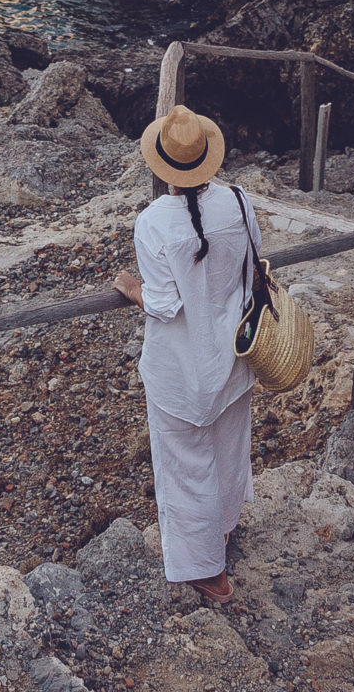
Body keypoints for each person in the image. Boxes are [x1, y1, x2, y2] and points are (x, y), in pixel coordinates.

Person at [113, 104, 259, 606]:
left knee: (184, 468)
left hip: (180, 370)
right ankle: (219, 534)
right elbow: (253, 264)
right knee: (226, 450)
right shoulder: (239, 202)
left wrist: (131, 289)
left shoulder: (153, 222)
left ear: (162, 166)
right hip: (236, 358)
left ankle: (209, 575)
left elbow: (164, 302)